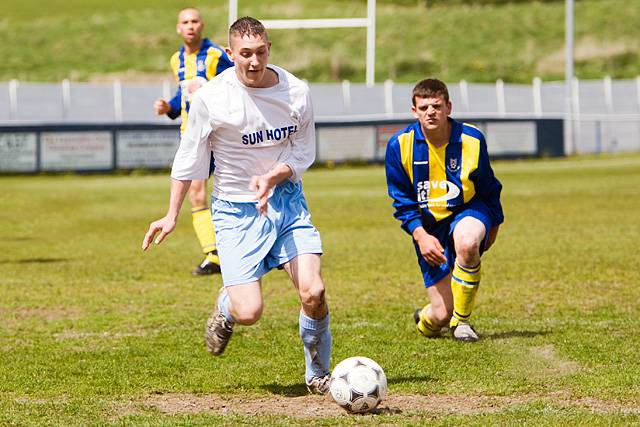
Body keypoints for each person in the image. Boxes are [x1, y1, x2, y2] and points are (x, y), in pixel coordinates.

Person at [142, 17, 332, 394]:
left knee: (313, 291)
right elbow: (189, 158)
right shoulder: (212, 99)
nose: (254, 61)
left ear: (269, 49)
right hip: (234, 211)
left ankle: (318, 374)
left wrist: (274, 176)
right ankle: (227, 307)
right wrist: (171, 213)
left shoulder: (296, 90)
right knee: (250, 312)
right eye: (245, 54)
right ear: (231, 54)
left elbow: (303, 150)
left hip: (287, 203)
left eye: (261, 52)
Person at [385, 78, 504, 342]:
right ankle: (429, 320)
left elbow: (489, 188)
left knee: (468, 241)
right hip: (428, 227)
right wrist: (421, 235)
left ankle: (461, 323)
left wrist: (493, 226)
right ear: (414, 111)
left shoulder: (472, 140)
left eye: (437, 105)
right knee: (440, 313)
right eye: (424, 107)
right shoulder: (399, 145)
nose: (431, 112)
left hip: (468, 209)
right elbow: (402, 201)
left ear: (448, 107)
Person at [153, 7, 233, 276]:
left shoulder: (215, 55)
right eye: (185, 22)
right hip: (192, 135)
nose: (190, 26)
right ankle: (213, 255)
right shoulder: (176, 59)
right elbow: (182, 94)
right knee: (196, 194)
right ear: (178, 28)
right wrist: (169, 107)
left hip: (221, 134)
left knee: (239, 187)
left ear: (202, 25)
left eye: (194, 21)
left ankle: (261, 243)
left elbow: (238, 82)